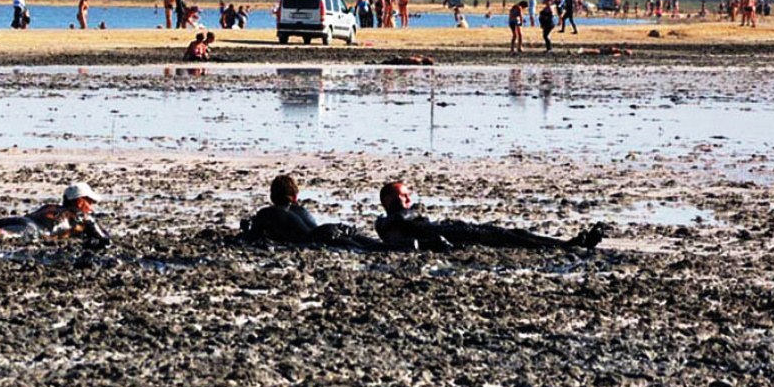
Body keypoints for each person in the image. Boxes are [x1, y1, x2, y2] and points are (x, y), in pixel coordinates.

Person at [376, 181, 604, 251]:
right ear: (388, 200)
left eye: (407, 196)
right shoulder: (390, 221)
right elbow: (398, 239)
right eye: (402, 196)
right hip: (454, 236)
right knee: (510, 239)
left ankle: (566, 243)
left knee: (513, 233)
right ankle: (565, 246)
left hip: (456, 228)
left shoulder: (401, 217)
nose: (408, 200)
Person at [0, 182, 111, 248]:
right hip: (33, 229)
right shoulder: (83, 217)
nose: (92, 207)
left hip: (23, 219)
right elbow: (105, 240)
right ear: (80, 201)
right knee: (2, 234)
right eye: (91, 202)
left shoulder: (52, 206)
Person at [240, 175, 385, 250]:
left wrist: (246, 229)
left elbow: (250, 238)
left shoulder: (267, 213)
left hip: (316, 237)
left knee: (367, 249)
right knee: (373, 245)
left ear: (272, 197)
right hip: (327, 228)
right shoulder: (301, 210)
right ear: (296, 197)